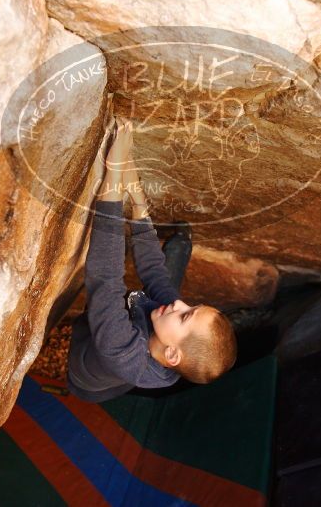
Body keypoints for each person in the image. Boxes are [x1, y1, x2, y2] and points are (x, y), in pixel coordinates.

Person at [66, 116, 237, 403]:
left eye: (186, 315)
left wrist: (113, 176)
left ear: (172, 354)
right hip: (135, 350)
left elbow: (105, 279)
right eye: (192, 306)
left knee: (112, 304)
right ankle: (181, 244)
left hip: (87, 377)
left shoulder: (121, 349)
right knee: (165, 282)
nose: (180, 303)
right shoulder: (171, 330)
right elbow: (155, 272)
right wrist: (137, 198)